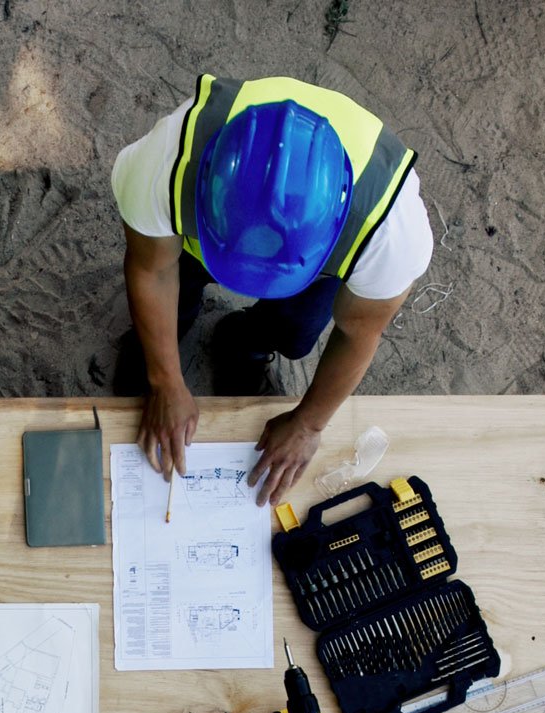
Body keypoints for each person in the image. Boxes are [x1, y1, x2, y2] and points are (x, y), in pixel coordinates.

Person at [112, 75, 434, 506]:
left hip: (312, 263)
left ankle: (243, 342)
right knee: (178, 290)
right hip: (203, 241)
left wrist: (309, 425)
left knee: (295, 333)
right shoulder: (164, 165)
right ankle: (157, 357)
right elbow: (152, 270)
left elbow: (359, 331)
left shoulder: (390, 233)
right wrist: (166, 382)